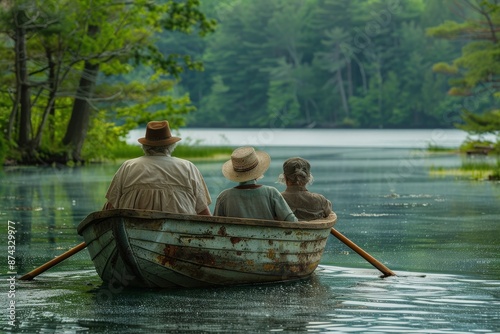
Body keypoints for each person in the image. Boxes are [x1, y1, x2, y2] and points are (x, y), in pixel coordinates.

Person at [104, 120, 211, 215]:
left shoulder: (128, 167)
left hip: (133, 226)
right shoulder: (188, 167)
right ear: (170, 146)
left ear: (145, 146)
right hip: (182, 232)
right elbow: (203, 212)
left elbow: (110, 208)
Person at [214, 146, 297, 222]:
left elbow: (215, 226)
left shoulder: (223, 197)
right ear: (258, 171)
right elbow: (292, 222)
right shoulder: (271, 193)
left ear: (236, 174)